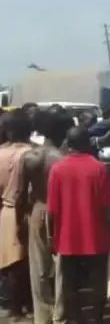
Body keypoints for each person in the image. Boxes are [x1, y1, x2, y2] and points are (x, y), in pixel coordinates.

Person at [47, 127, 110, 324]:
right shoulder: (99, 168)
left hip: (67, 237)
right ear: (87, 144)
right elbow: (108, 208)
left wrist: (51, 238)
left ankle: (75, 319)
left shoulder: (58, 169)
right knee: (98, 282)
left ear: (68, 145)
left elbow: (52, 210)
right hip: (96, 236)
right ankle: (96, 319)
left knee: (69, 284)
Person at [19, 110, 74, 324]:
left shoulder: (31, 157)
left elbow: (22, 193)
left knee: (38, 268)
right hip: (62, 211)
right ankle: (60, 315)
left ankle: (42, 316)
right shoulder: (65, 158)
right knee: (62, 267)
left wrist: (20, 220)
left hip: (38, 209)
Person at [0, 109, 34, 322]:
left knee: (11, 263)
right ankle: (30, 304)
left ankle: (14, 309)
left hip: (7, 210)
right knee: (32, 263)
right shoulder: (35, 153)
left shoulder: (1, 154)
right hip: (34, 210)